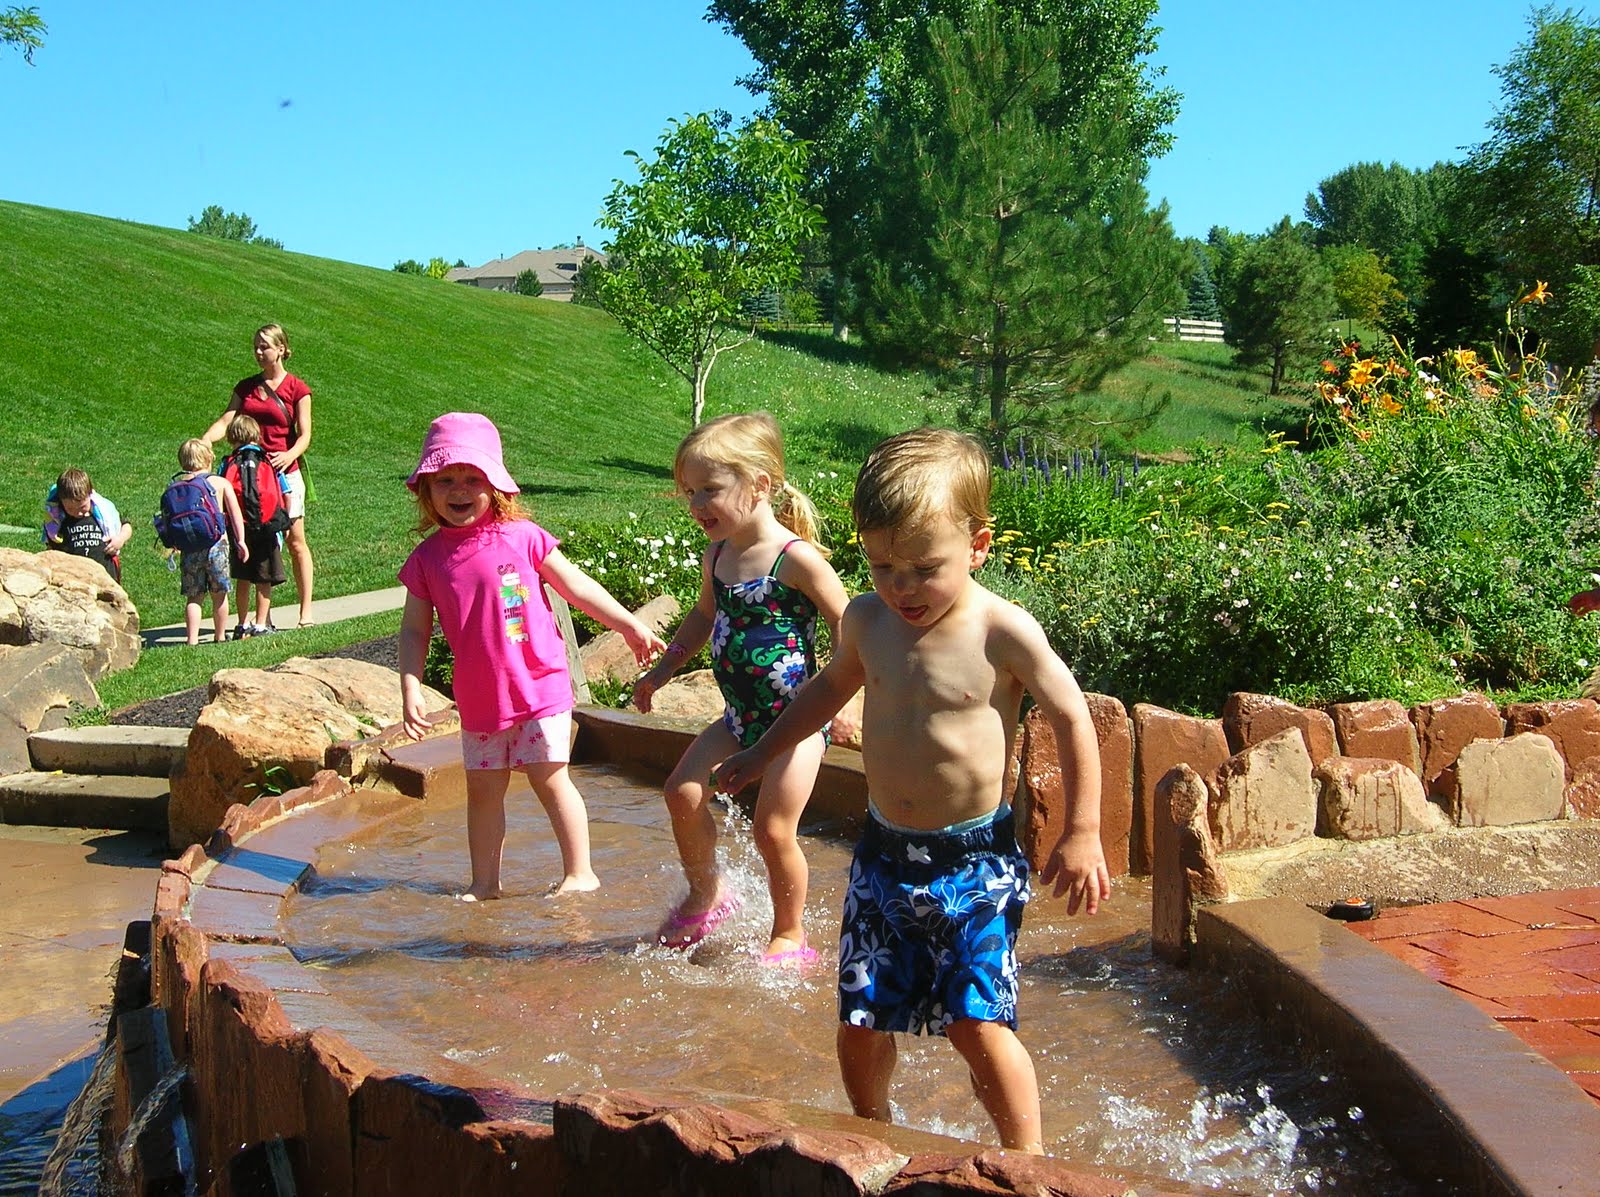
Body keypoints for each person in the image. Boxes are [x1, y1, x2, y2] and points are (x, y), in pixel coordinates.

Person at [714, 427, 1109, 1154]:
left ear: (979, 545)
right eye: (881, 564)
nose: (899, 585)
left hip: (975, 861)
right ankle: (872, 1131)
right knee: (861, 1018)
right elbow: (825, 690)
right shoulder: (868, 621)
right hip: (882, 855)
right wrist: (764, 749)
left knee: (976, 1022)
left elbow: (1072, 713)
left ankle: (1027, 1161)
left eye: (923, 567)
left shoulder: (1000, 630)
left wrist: (1082, 829)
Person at [397, 412, 666, 900]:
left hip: (539, 685)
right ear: (427, 490)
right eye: (446, 480)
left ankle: (580, 872)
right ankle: (485, 883)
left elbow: (576, 586)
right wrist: (410, 684)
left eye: (472, 478)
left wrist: (628, 624)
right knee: (483, 792)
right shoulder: (427, 559)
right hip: (481, 698)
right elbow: (416, 630)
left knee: (550, 777)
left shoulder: (524, 538)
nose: (459, 489)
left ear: (495, 485)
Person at [633, 412, 850, 963]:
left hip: (796, 722)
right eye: (689, 492)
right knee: (680, 792)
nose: (696, 505)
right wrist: (663, 670)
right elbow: (703, 618)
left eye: (709, 489)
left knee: (773, 829)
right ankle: (710, 895)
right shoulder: (718, 557)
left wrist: (852, 702)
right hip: (739, 719)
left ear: (760, 486)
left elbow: (853, 630)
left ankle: (790, 933)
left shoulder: (795, 561)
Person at [203, 323, 315, 627]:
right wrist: (204, 440)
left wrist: (289, 455)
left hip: (284, 473)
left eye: (264, 346)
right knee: (253, 540)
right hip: (250, 475)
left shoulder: (298, 389)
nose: (257, 352)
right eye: (255, 346)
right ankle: (256, 617)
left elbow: (304, 434)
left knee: (295, 540)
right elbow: (227, 419)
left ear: (281, 349)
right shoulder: (246, 387)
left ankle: (305, 611)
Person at [172, 439, 247, 646]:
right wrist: (241, 541)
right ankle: (220, 636)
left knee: (194, 596)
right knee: (219, 594)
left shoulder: (177, 486)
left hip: (190, 548)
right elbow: (235, 514)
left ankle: (192, 640)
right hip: (217, 546)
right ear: (208, 459)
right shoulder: (220, 483)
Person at [221, 413, 288, 638]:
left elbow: (221, 494)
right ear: (256, 435)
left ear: (233, 437)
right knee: (264, 578)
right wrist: (283, 520)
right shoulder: (268, 461)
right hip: (267, 526)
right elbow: (284, 491)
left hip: (240, 529)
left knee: (243, 577)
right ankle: (261, 623)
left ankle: (241, 623)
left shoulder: (228, 463)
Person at [43, 468, 132, 582]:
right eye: (70, 508)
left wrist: (120, 539)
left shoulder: (103, 514)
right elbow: (51, 549)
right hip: (73, 578)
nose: (78, 512)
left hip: (106, 576)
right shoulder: (58, 521)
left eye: (82, 507)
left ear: (90, 494)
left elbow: (126, 526)